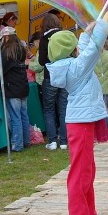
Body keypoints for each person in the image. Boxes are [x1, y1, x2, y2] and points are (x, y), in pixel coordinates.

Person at [47, 5, 108, 215]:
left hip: (84, 119)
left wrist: (91, 27)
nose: (79, 48)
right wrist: (106, 19)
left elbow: (84, 45)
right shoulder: (78, 67)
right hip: (79, 122)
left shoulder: (70, 63)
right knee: (80, 171)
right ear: (71, 52)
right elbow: (92, 49)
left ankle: (89, 214)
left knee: (88, 168)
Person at [0, 27, 30, 152]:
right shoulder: (21, 48)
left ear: (6, 37)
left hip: (12, 87)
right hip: (23, 86)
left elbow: (1, 70)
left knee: (15, 117)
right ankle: (26, 141)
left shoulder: (6, 52)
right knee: (24, 115)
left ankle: (17, 144)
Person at [39, 12, 68, 150]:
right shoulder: (64, 36)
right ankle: (64, 141)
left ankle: (52, 141)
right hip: (64, 76)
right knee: (64, 109)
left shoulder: (45, 39)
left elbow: (41, 61)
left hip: (50, 76)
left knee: (49, 109)